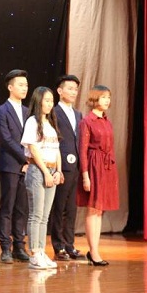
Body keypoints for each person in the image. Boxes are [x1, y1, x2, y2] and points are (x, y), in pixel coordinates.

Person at [77, 85, 118, 266]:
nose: (107, 100)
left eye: (108, 97)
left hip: (106, 167)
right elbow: (83, 150)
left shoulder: (107, 121)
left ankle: (95, 249)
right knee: (93, 208)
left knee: (100, 210)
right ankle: (93, 251)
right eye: (103, 97)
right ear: (94, 99)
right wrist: (85, 175)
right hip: (93, 167)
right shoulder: (87, 121)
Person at [22, 87, 62, 270]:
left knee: (45, 216)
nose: (49, 104)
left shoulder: (51, 123)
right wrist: (46, 172)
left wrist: (58, 171)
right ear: (38, 101)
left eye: (51, 100)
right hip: (38, 171)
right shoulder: (32, 122)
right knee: (36, 214)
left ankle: (41, 251)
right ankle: (34, 253)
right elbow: (33, 149)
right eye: (46, 100)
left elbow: (57, 149)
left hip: (51, 170)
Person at [0, 69, 31, 264]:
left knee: (22, 208)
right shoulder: (1, 110)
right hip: (10, 164)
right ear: (10, 87)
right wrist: (25, 158)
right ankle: (5, 248)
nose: (24, 88)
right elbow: (6, 138)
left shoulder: (28, 111)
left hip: (27, 166)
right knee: (7, 207)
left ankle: (19, 246)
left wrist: (30, 159)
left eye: (26, 85)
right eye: (20, 85)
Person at [49, 74, 83, 261]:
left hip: (76, 165)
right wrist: (57, 166)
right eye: (69, 88)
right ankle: (58, 246)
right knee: (59, 206)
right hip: (61, 164)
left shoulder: (78, 114)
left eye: (75, 89)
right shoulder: (54, 112)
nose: (73, 92)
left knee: (71, 208)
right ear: (60, 91)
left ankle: (70, 245)